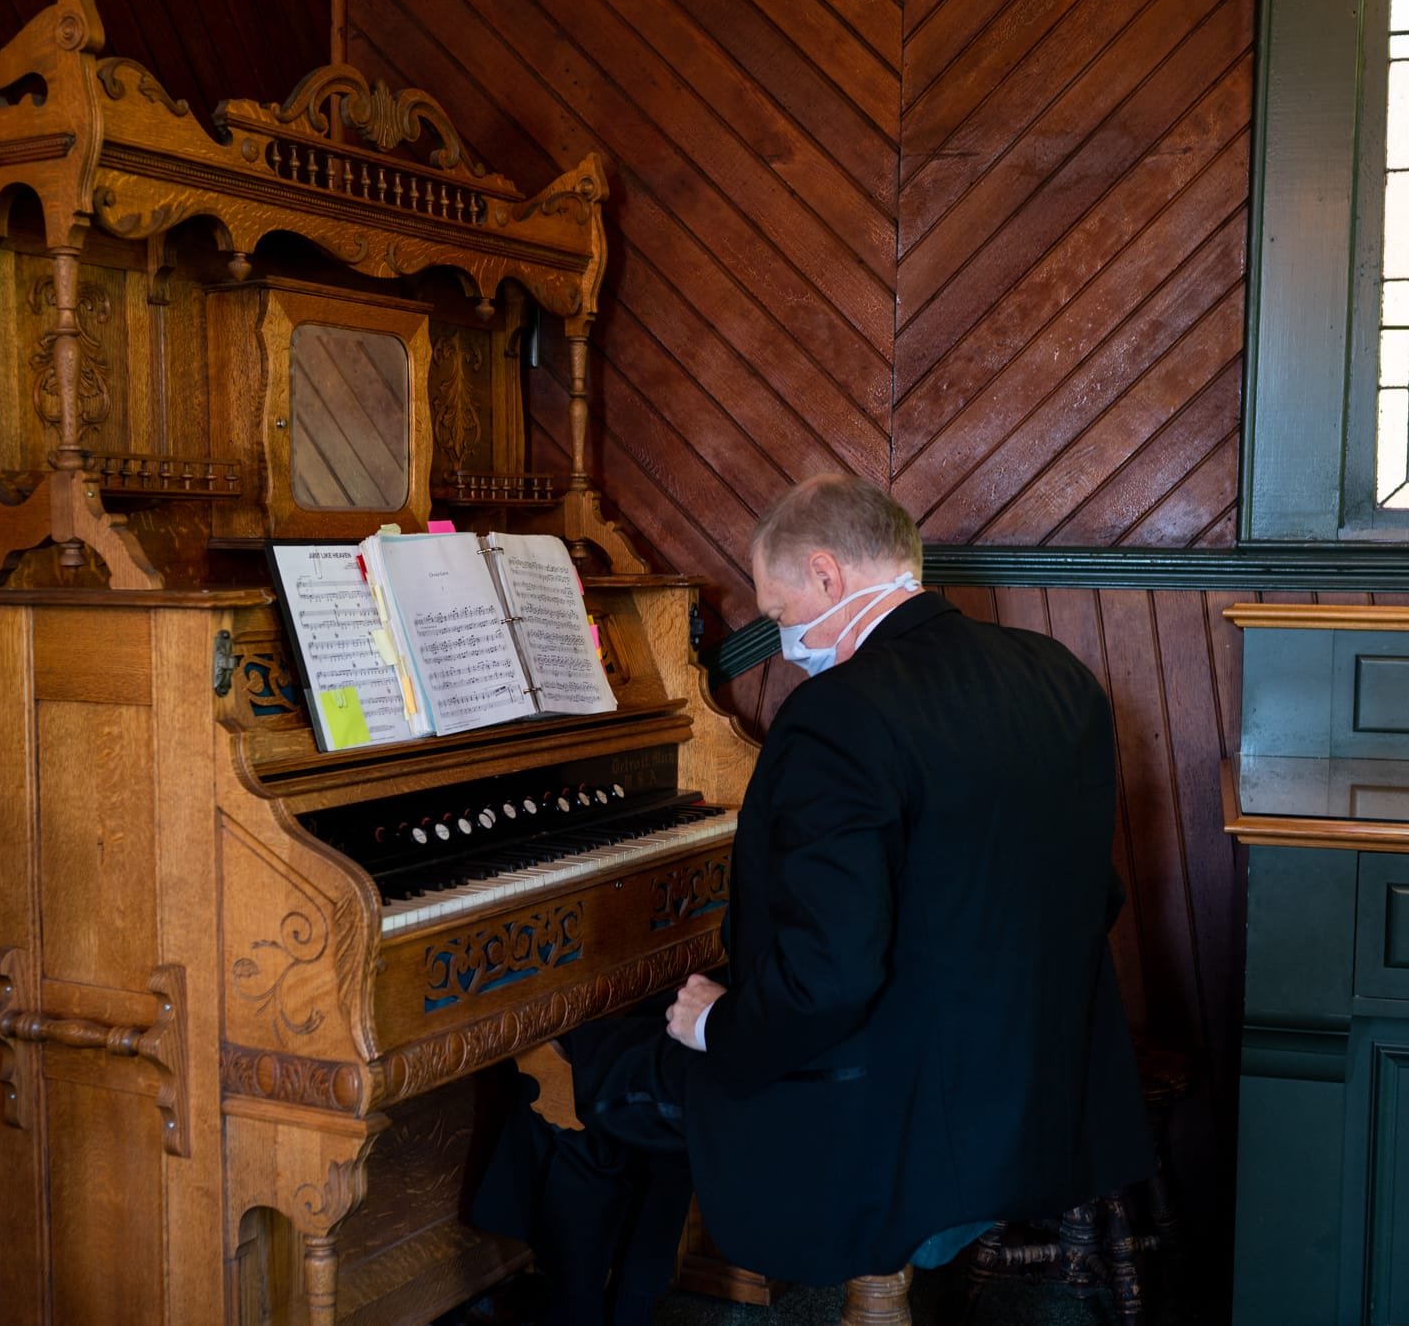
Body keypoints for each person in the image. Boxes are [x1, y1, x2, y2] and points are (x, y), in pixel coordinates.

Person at [470, 474, 1150, 1324]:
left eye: (782, 614)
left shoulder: (841, 714)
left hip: (878, 1120)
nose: (787, 645)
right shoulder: (1056, 675)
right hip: (1034, 1098)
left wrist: (717, 1021)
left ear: (828, 574)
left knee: (570, 1069)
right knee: (647, 1054)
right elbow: (1095, 897)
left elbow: (829, 980)